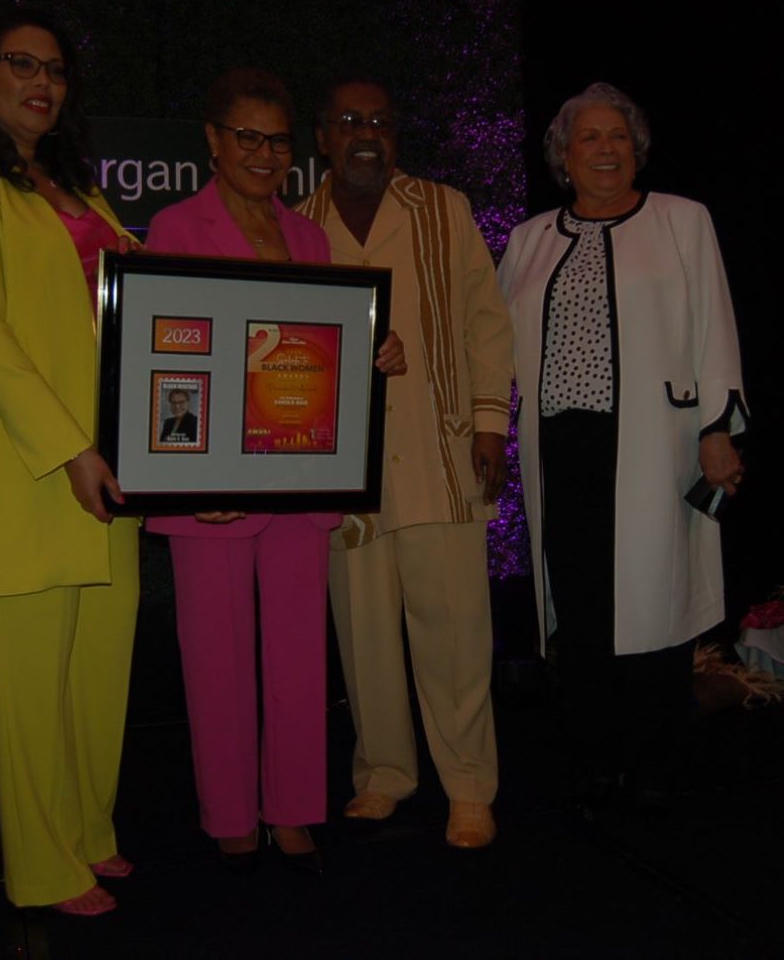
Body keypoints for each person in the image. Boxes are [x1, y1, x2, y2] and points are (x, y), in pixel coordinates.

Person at [0, 8, 140, 915]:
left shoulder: (79, 189)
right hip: (24, 457)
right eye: (20, 64)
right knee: (31, 676)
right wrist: (68, 445)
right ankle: (41, 869)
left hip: (106, 462)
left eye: (54, 70)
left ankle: (88, 834)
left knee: (98, 666)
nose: (40, 82)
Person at [146, 68, 407, 872]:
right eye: (247, 137)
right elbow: (167, 359)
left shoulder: (310, 238)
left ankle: (293, 806)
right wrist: (197, 477)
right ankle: (228, 810)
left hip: (296, 476)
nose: (264, 154)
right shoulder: (174, 226)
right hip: (211, 492)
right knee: (215, 659)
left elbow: (311, 358)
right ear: (214, 141)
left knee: (298, 655)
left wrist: (371, 357)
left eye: (277, 140)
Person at [497, 82, 747, 806]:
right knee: (577, 601)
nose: (606, 150)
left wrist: (717, 427)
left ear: (636, 150)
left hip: (653, 443)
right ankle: (592, 750)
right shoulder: (529, 239)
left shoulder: (681, 221)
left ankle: (655, 752)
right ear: (563, 158)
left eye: (618, 137)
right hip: (560, 449)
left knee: (652, 595)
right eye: (589, 139)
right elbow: (489, 339)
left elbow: (716, 325)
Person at [298, 78, 513, 847]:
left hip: (439, 451)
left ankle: (468, 786)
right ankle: (384, 774)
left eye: (382, 122)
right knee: (363, 635)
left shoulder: (444, 209)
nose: (367, 134)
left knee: (454, 630)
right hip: (344, 470)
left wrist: (491, 421)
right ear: (321, 136)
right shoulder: (299, 227)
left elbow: (488, 321)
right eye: (350, 120)